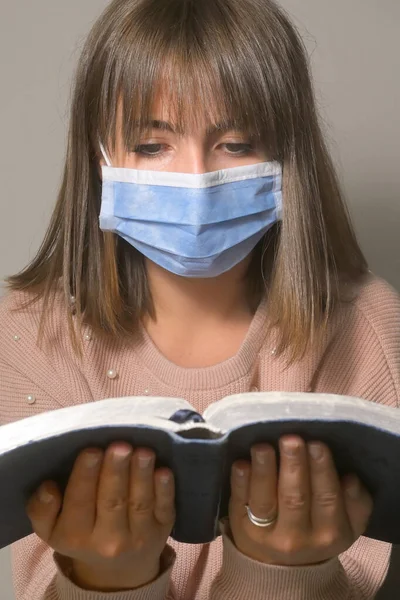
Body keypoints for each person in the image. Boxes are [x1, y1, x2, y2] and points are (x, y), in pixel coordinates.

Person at [0, 0, 399, 598]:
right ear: (98, 156)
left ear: (289, 157)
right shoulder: (26, 333)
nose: (195, 178)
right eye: (152, 145)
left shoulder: (368, 327)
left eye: (236, 143)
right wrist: (107, 579)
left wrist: (285, 572)